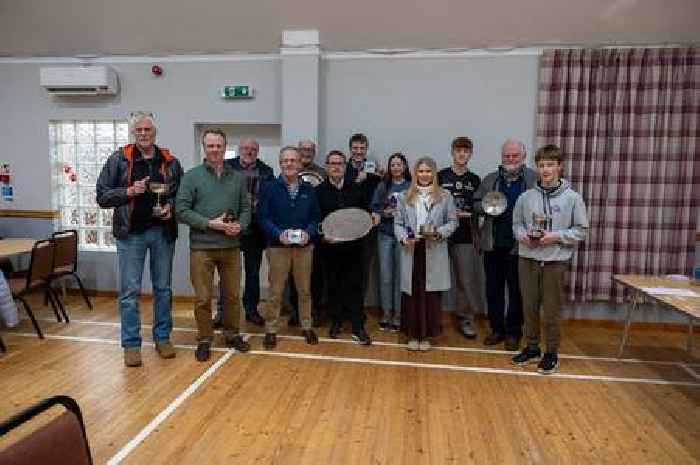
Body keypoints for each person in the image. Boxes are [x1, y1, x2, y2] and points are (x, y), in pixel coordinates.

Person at [96, 112, 182, 367]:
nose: (144, 134)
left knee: (163, 289)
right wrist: (130, 191)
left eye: (148, 129)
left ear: (155, 132)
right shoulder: (119, 159)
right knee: (129, 292)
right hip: (130, 235)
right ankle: (131, 345)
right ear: (133, 133)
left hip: (162, 233)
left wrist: (171, 209)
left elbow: (182, 195)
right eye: (139, 130)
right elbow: (102, 196)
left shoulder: (170, 161)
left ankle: (163, 337)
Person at [511, 144, 588, 374]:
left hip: (555, 261)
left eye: (550, 165)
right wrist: (523, 236)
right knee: (529, 307)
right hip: (528, 259)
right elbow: (516, 224)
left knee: (552, 310)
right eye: (542, 165)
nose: (545, 170)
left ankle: (552, 352)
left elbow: (581, 230)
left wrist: (554, 236)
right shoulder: (526, 197)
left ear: (559, 167)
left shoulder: (573, 198)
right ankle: (532, 347)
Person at [176, 129, 251, 362]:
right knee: (202, 298)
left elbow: (246, 208)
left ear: (225, 147)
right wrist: (210, 224)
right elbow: (181, 211)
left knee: (231, 296)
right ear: (204, 148)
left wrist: (241, 225)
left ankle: (232, 334)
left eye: (219, 146)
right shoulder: (191, 177)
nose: (214, 150)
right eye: (210, 146)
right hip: (202, 248)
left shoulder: (237, 178)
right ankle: (205, 338)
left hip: (231, 246)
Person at [473, 138, 537, 351]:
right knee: (493, 289)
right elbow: (475, 203)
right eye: (506, 156)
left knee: (517, 291)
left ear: (523, 156)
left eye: (514, 156)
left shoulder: (533, 179)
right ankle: (496, 330)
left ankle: (513, 333)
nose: (510, 159)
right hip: (493, 244)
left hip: (521, 246)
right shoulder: (491, 179)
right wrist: (487, 206)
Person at [258, 146, 321, 349]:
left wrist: (308, 233)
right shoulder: (269, 188)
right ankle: (271, 330)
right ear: (280, 163)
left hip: (304, 248)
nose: (289, 164)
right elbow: (263, 218)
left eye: (293, 160)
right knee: (275, 291)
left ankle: (306, 326)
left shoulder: (309, 189)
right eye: (285, 160)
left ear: (299, 163)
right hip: (278, 248)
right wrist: (278, 234)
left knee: (304, 290)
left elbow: (315, 218)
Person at [395, 157, 458, 351]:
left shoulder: (445, 196)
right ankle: (413, 335)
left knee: (430, 295)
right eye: (421, 171)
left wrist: (439, 233)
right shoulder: (404, 196)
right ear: (415, 174)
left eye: (428, 171)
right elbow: (397, 223)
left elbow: (453, 222)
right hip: (412, 249)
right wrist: (404, 237)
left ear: (434, 174)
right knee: (412, 293)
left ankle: (427, 335)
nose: (424, 175)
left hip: (433, 248)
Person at [214, 137, 273, 327]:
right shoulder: (226, 166)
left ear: (258, 151)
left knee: (253, 273)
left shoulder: (266, 171)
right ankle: (222, 312)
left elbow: (267, 200)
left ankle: (251, 310)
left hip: (255, 230)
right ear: (239, 150)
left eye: (253, 149)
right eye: (245, 148)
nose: (249, 152)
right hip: (229, 227)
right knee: (227, 273)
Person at [316, 150, 372, 345]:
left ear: (345, 166)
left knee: (355, 286)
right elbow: (316, 220)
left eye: (340, 163)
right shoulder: (319, 191)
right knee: (333, 286)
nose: (336, 166)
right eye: (332, 163)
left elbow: (366, 215)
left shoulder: (356, 189)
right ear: (326, 167)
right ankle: (336, 322)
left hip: (355, 249)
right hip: (330, 249)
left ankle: (358, 326)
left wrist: (373, 218)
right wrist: (323, 236)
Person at [438, 136, 485, 339]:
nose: (462, 154)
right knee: (435, 278)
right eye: (458, 150)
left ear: (471, 154)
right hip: (440, 234)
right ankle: (433, 319)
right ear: (452, 152)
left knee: (465, 281)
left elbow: (481, 207)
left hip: (465, 235)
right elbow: (431, 202)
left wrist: (470, 214)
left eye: (466, 151)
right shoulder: (440, 176)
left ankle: (465, 320)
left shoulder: (475, 180)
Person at [370, 152, 411, 331]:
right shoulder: (382, 186)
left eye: (399, 164)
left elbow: (417, 209)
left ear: (404, 167)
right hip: (385, 234)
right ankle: (386, 313)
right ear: (389, 167)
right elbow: (374, 207)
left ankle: (399, 314)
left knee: (400, 276)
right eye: (393, 164)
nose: (396, 167)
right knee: (386, 276)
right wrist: (383, 213)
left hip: (403, 236)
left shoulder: (411, 186)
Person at [344, 133, 383, 307]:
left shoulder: (374, 168)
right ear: (350, 149)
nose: (358, 152)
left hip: (368, 226)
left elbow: (385, 189)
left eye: (362, 148)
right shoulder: (342, 168)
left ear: (366, 149)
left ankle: (358, 307)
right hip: (346, 224)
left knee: (364, 268)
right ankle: (344, 307)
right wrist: (355, 180)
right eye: (355, 148)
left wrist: (376, 175)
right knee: (345, 268)